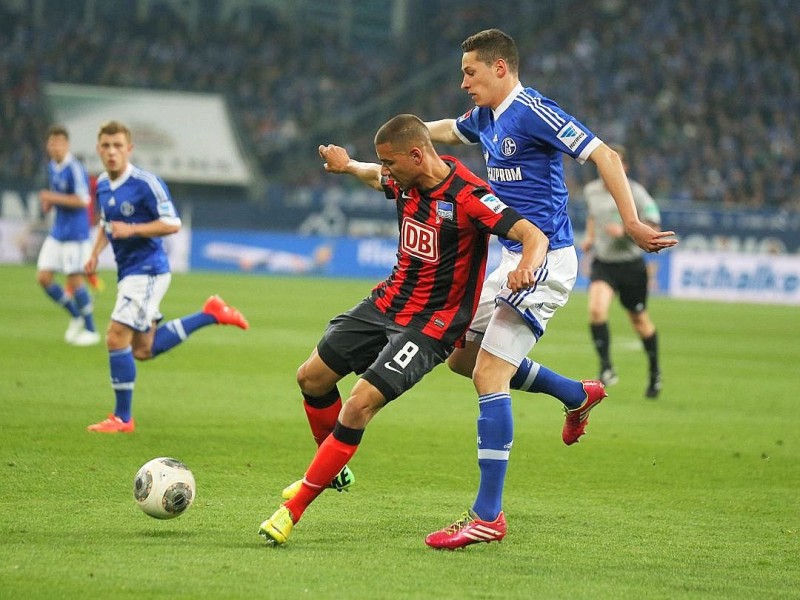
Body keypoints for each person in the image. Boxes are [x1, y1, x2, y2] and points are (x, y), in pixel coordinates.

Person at [423, 29, 678, 548]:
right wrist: (405, 137)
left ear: (500, 68)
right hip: (513, 257)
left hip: (546, 259)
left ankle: (487, 517)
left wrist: (629, 222)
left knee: (490, 373)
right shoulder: (487, 117)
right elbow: (449, 130)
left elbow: (605, 154)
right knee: (462, 359)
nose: (463, 81)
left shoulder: (533, 110)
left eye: (470, 71)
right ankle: (576, 393)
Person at [258, 113, 550, 546]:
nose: (388, 171)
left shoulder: (470, 197)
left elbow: (532, 234)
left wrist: (526, 266)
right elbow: (377, 177)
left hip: (432, 324)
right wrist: (348, 165)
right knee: (311, 377)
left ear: (417, 155)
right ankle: (332, 465)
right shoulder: (405, 180)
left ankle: (294, 507)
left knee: (357, 405)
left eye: (391, 163)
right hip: (388, 302)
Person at [85, 120, 250, 433]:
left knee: (115, 336)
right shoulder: (103, 186)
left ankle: (122, 419)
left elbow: (172, 223)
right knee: (142, 349)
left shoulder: (146, 183)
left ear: (128, 149)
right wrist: (94, 252)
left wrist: (132, 229)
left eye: (117, 146)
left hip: (148, 270)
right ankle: (210, 313)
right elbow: (107, 224)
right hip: (129, 272)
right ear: (98, 149)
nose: (111, 152)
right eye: (105, 146)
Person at [581, 144, 663, 398]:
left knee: (639, 321)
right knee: (596, 310)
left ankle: (654, 373)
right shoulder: (591, 191)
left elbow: (654, 222)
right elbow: (594, 216)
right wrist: (590, 236)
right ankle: (606, 368)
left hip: (631, 265)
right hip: (604, 263)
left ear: (622, 166)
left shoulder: (635, 192)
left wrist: (627, 231)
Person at [36, 125, 100, 346]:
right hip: (57, 232)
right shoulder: (52, 167)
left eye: (58, 143)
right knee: (43, 278)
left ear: (66, 145)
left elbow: (83, 200)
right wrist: (49, 204)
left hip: (75, 234)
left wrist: (52, 197)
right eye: (51, 143)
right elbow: (59, 198)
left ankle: (91, 330)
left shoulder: (75, 168)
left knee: (75, 279)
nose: (54, 147)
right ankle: (75, 315)